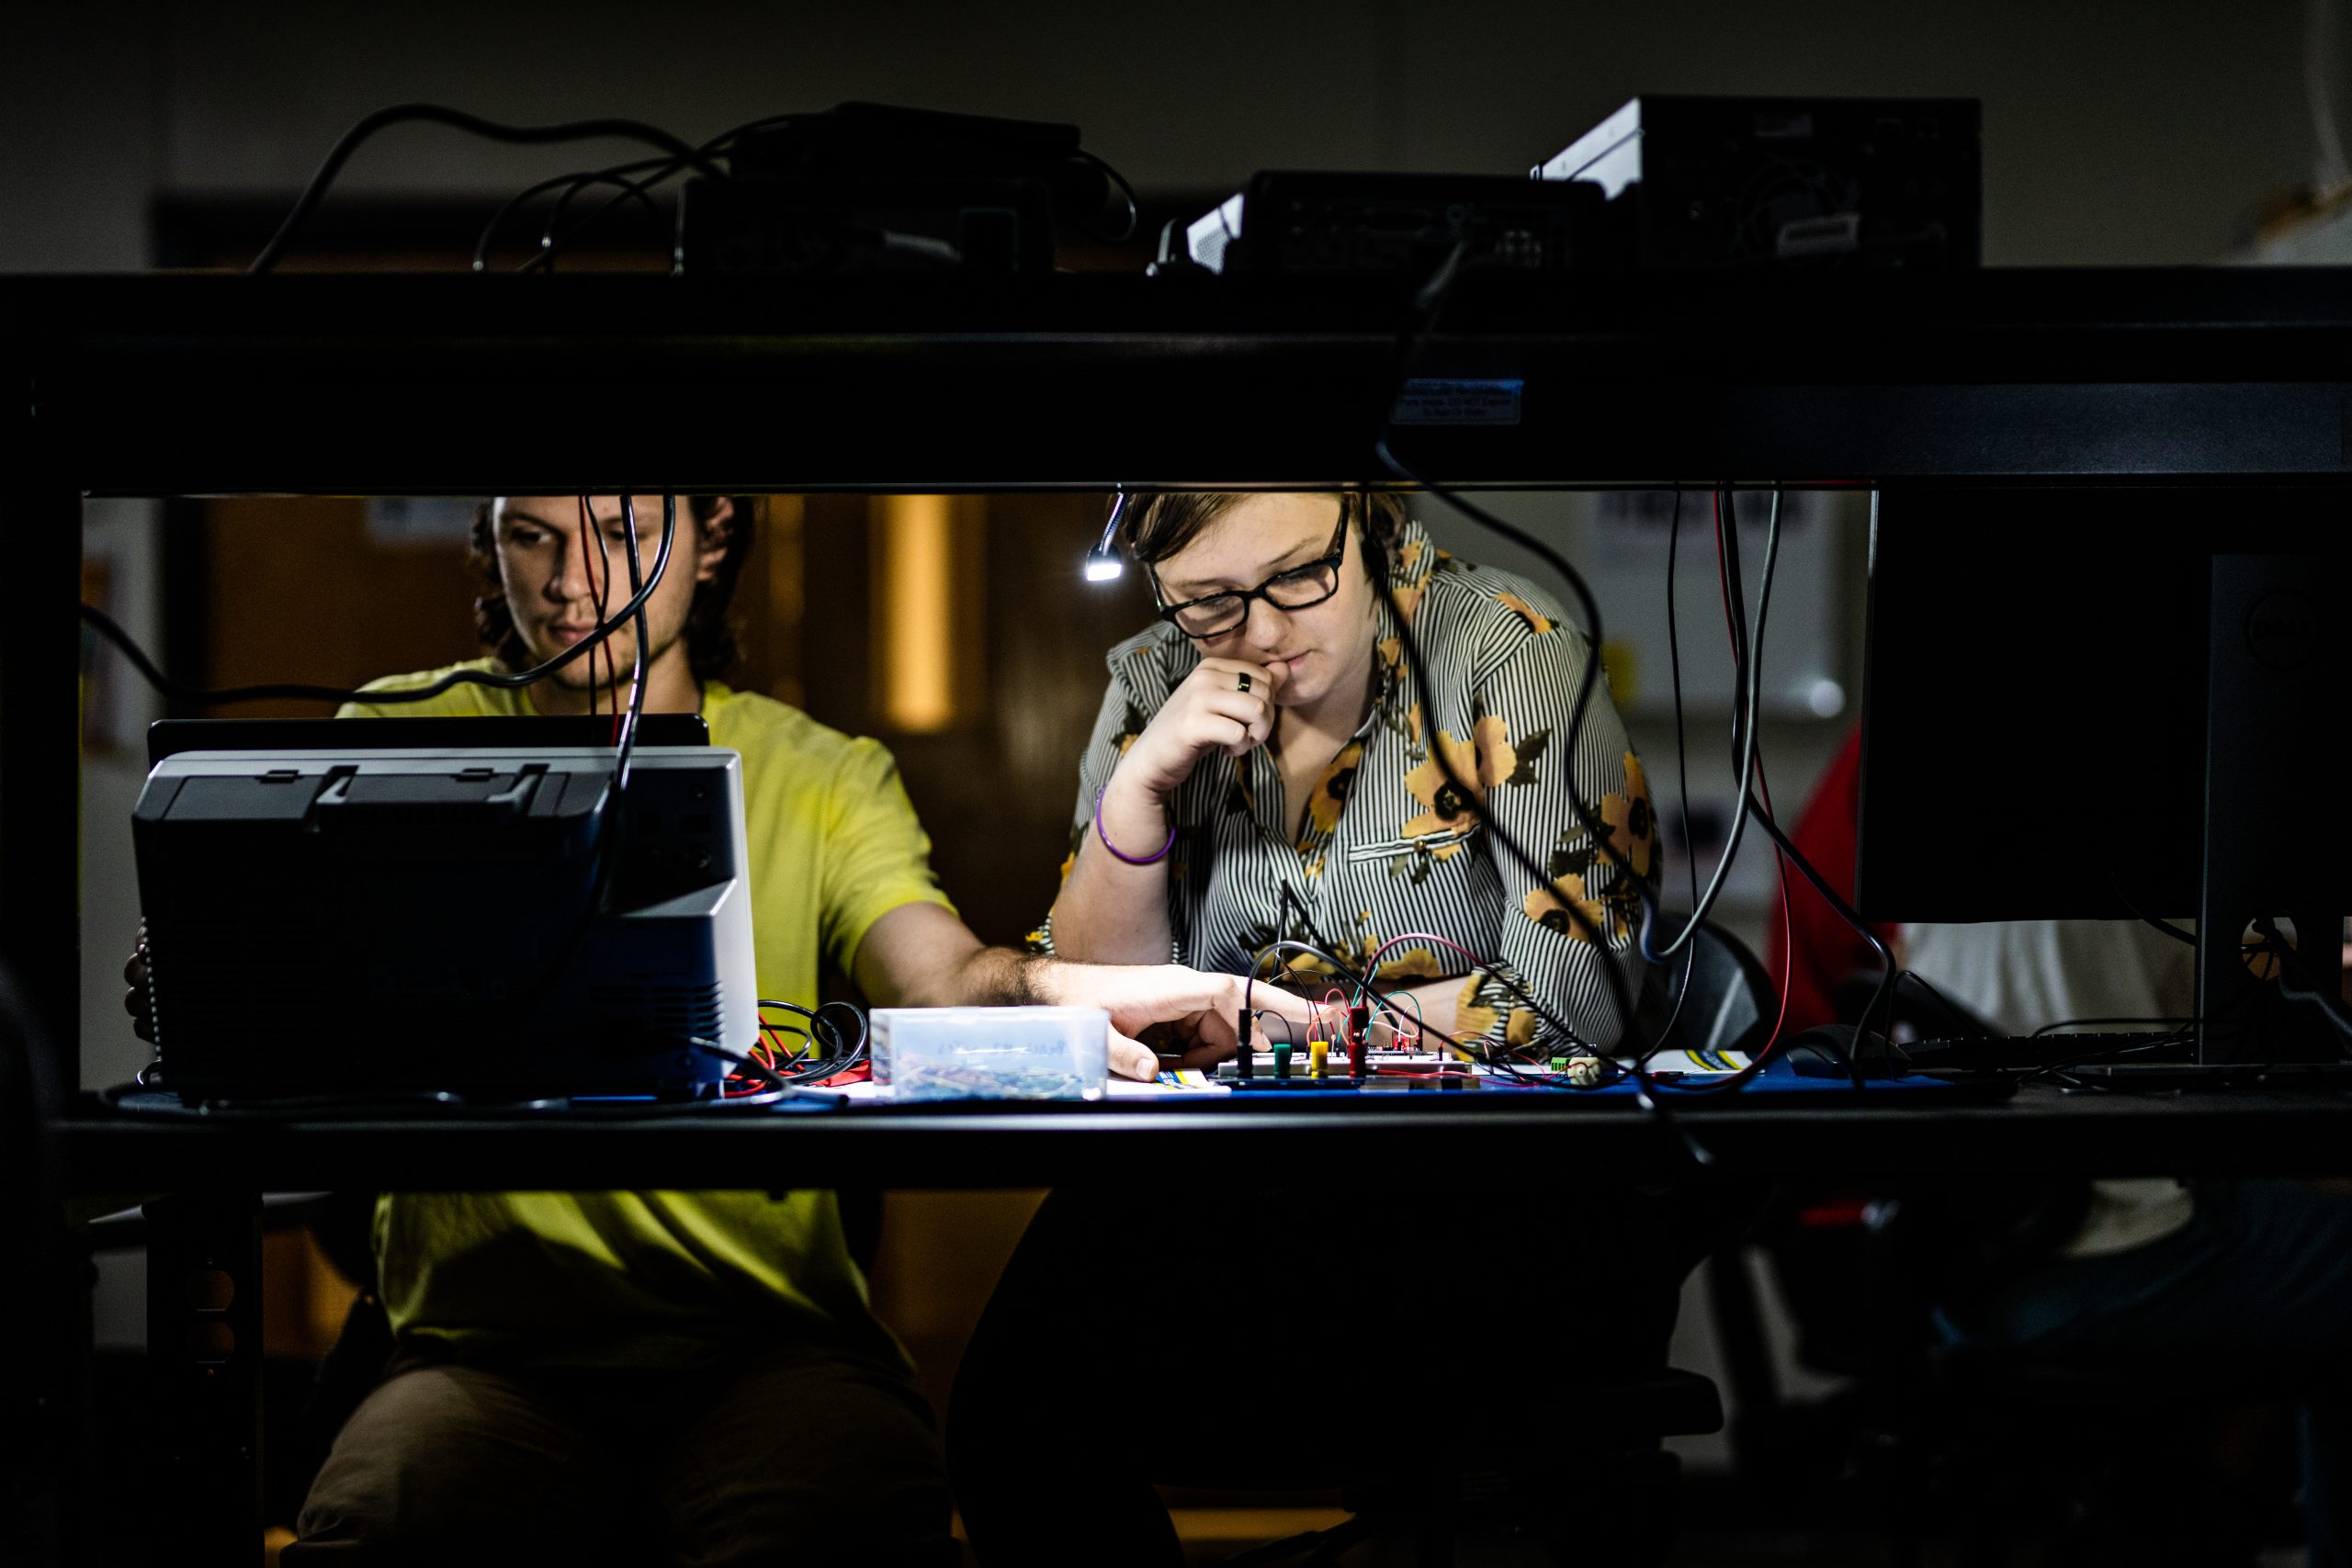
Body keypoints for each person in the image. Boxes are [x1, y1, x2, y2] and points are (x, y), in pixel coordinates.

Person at [130, 493, 1306, 1566]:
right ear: (487, 543)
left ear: (714, 537)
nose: (573, 579)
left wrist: (1052, 989)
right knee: (382, 1535)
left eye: (625, 536)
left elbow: (936, 970)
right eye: (530, 534)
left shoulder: (820, 774)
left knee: (844, 1531)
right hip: (479, 1357)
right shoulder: (398, 729)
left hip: (772, 1353)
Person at [950, 490, 1714, 1565]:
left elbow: (1565, 1000)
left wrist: (1279, 1036)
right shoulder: (1153, 675)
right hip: (1236, 1182)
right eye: (1208, 604)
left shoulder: (1508, 646)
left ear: (1371, 523)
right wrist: (1137, 793)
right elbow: (1106, 996)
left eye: (1299, 575)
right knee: (1009, 1414)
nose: (1259, 631)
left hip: (1483, 1192)